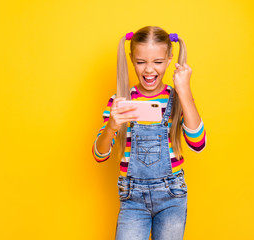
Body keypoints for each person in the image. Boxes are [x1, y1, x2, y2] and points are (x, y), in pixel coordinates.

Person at [91, 26, 207, 240]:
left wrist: (184, 91)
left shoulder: (178, 99)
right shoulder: (120, 101)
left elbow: (198, 144)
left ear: (170, 59)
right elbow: (99, 155)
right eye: (141, 62)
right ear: (131, 58)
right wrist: (112, 127)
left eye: (158, 62)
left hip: (172, 195)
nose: (149, 70)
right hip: (132, 198)